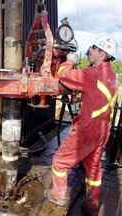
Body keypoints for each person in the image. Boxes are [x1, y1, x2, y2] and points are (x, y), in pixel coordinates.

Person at [44, 34, 119, 215]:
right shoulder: (113, 76)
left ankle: (59, 196)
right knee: (93, 168)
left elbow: (64, 76)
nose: (89, 51)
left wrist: (69, 61)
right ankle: (92, 205)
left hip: (87, 130)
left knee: (60, 162)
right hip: (103, 130)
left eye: (92, 48)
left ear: (102, 52)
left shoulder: (93, 74)